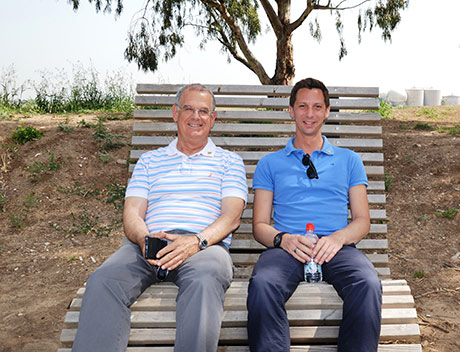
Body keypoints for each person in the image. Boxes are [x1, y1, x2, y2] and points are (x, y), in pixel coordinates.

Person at [73, 83, 248, 352]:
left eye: (203, 111)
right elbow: (131, 212)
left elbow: (232, 217)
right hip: (148, 244)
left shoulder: (229, 162)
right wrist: (144, 238)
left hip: (204, 248)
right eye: (188, 109)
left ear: (213, 118)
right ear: (175, 113)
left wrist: (197, 241)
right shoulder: (149, 161)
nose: (195, 116)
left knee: (205, 280)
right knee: (102, 281)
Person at [246, 78, 382, 352]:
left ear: (327, 111)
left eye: (317, 107)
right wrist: (283, 239)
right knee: (263, 284)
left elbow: (362, 220)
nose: (310, 114)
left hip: (337, 247)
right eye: (303, 106)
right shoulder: (269, 163)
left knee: (367, 283)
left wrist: (337, 239)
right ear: (291, 110)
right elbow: (259, 225)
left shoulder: (349, 160)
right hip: (288, 247)